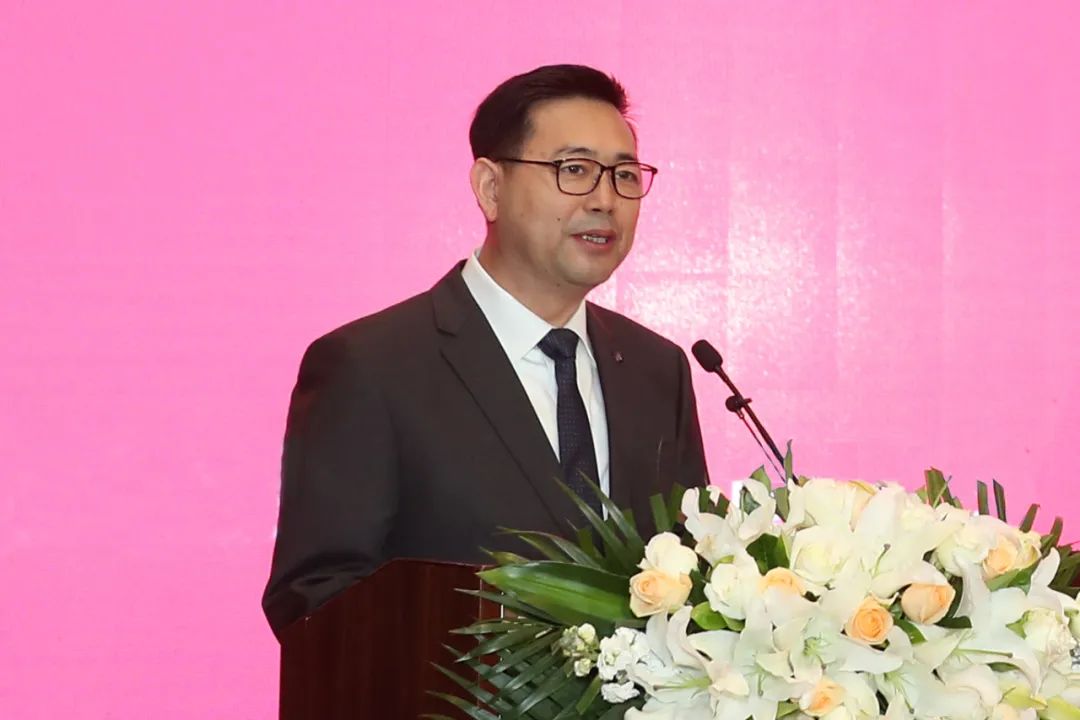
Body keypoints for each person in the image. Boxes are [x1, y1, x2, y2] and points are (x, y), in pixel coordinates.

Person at [262, 64, 708, 638]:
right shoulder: (371, 367)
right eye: (574, 170)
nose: (605, 199)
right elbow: (316, 596)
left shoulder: (657, 370)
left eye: (624, 175)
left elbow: (692, 570)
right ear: (490, 188)